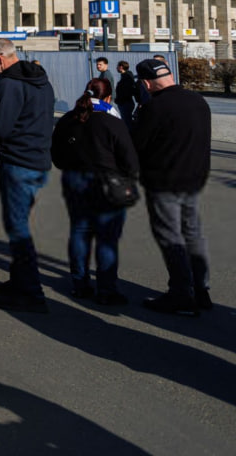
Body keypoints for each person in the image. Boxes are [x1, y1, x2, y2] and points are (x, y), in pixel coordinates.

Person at [132, 59, 213, 315]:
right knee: (192, 233)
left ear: (146, 83)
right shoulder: (198, 101)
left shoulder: (154, 108)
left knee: (170, 236)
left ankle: (180, 294)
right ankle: (201, 289)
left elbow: (138, 144)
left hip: (164, 181)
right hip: (194, 178)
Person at [0, 37, 55, 314]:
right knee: (19, 222)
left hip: (17, 161)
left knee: (17, 227)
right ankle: (18, 281)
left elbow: (1, 127)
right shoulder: (41, 81)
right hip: (37, 159)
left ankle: (31, 292)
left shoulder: (8, 84)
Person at [52, 78, 139, 307]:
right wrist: (128, 177)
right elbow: (130, 160)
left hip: (75, 178)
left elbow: (57, 156)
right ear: (108, 98)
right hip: (107, 181)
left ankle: (80, 283)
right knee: (107, 236)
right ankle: (107, 289)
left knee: (80, 231)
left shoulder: (68, 119)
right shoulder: (112, 122)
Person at [115, 61, 137, 125]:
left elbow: (125, 91)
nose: (116, 68)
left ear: (121, 67)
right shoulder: (126, 76)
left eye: (117, 66)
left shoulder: (126, 77)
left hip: (125, 103)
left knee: (127, 122)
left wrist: (119, 100)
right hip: (125, 102)